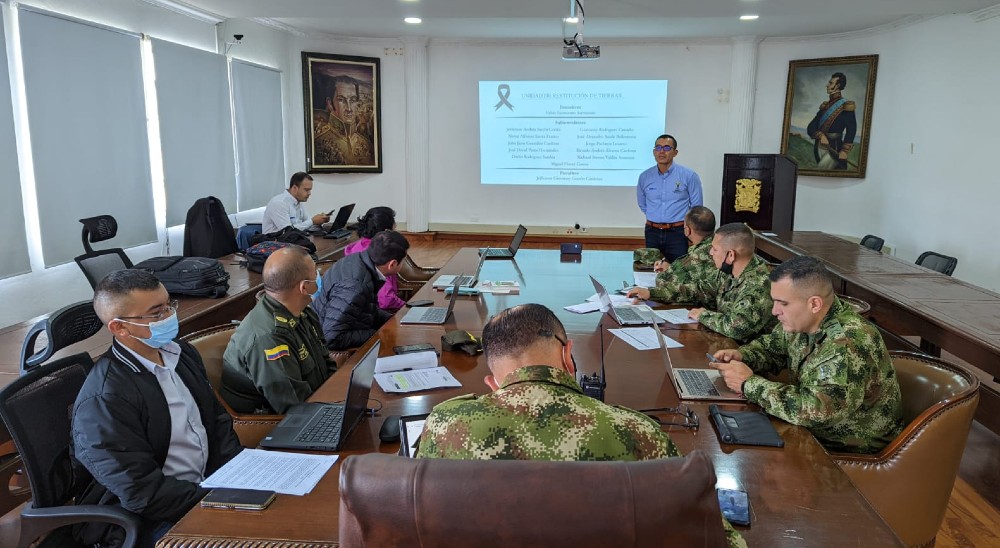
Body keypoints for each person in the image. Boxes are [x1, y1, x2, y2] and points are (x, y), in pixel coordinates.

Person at [415, 303, 745, 547]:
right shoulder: (636, 430)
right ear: (567, 355)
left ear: (492, 382)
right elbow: (710, 534)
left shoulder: (445, 422)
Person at [71, 269, 241, 548]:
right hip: (151, 518)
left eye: (169, 306)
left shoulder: (181, 353)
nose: (169, 317)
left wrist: (238, 475)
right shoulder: (106, 399)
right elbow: (141, 492)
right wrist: (216, 497)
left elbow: (217, 422)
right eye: (156, 313)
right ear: (119, 328)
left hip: (207, 486)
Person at [711, 255, 904, 454]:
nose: (775, 311)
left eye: (782, 303)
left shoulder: (847, 343)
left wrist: (748, 383)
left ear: (814, 304)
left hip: (845, 452)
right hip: (810, 433)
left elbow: (817, 410)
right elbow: (772, 347)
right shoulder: (805, 321)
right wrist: (743, 356)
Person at [221, 246, 336, 414]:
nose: (320, 277)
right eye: (316, 274)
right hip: (273, 423)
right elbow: (294, 408)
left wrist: (338, 393)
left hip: (317, 403)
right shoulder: (269, 338)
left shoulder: (303, 313)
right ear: (304, 287)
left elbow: (326, 361)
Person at [628, 223, 775, 343]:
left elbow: (736, 327)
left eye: (715, 249)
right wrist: (651, 293)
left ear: (731, 255)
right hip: (725, 344)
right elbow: (698, 290)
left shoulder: (758, 285)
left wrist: (703, 315)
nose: (710, 253)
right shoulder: (729, 271)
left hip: (746, 360)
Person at [313, 230, 409, 350]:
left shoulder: (359, 260)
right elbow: (333, 338)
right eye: (403, 261)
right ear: (392, 264)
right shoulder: (355, 287)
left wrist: (394, 319)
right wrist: (377, 334)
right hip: (327, 344)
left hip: (346, 325)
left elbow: (366, 309)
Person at [636, 134, 703, 261]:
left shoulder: (689, 175)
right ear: (654, 152)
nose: (662, 151)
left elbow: (697, 208)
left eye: (667, 148)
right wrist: (656, 216)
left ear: (675, 152)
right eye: (658, 148)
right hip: (652, 232)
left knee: (678, 270)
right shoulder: (644, 177)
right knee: (651, 271)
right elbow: (643, 204)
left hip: (677, 232)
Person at [343, 206, 405, 312]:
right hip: (376, 314)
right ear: (387, 231)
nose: (396, 227)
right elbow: (386, 300)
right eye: (394, 225)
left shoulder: (355, 247)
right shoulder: (381, 253)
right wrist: (407, 307)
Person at [652, 205, 719, 291]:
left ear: (688, 230)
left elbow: (664, 283)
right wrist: (671, 267)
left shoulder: (696, 256)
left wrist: (668, 271)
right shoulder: (721, 246)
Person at [806, 72, 857, 170]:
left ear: (837, 86)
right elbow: (811, 127)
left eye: (830, 83)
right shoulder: (825, 106)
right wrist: (820, 135)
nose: (827, 85)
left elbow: (851, 130)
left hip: (835, 148)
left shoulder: (846, 106)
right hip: (819, 148)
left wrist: (844, 151)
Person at [324, 75, 374, 166]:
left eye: (353, 100)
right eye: (341, 100)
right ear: (330, 103)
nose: (349, 108)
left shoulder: (366, 144)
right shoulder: (320, 143)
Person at [261, 171, 330, 234]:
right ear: (294, 188)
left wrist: (320, 221)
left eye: (310, 190)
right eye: (306, 190)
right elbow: (287, 232)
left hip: (292, 241)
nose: (309, 193)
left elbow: (307, 225)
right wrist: (312, 221)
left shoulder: (298, 202)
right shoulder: (279, 203)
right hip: (275, 244)